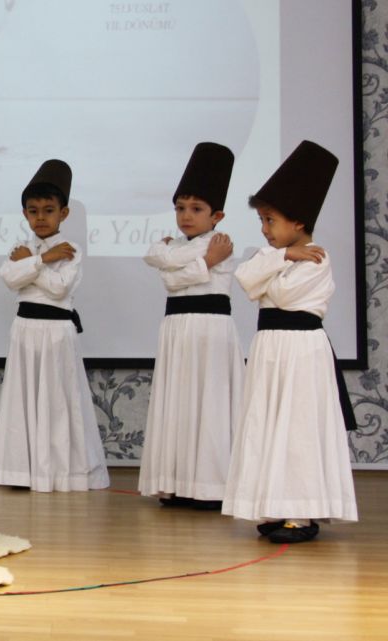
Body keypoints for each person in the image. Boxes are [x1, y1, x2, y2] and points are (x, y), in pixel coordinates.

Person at [224, 140, 358, 543]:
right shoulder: (280, 256)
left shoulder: (317, 256)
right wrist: (282, 259)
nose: (264, 230)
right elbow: (246, 280)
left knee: (296, 428)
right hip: (269, 350)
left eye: (270, 221)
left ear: (298, 222)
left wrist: (280, 266)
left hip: (300, 352)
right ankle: (274, 504)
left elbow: (280, 296)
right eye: (262, 221)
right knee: (267, 423)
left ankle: (300, 511)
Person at [0, 159, 109, 492]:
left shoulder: (71, 250)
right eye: (33, 211)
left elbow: (59, 288)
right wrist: (42, 259)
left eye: (48, 210)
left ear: (63, 214)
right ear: (26, 214)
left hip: (57, 333)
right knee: (25, 397)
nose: (40, 217)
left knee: (57, 401)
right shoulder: (22, 249)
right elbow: (10, 278)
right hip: (25, 330)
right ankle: (21, 471)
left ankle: (59, 471)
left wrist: (33, 265)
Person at [138, 142, 244, 510]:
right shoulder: (192, 248)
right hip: (177, 328)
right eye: (181, 208)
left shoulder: (221, 244)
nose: (186, 216)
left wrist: (178, 264)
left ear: (217, 216)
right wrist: (191, 265)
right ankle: (177, 481)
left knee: (209, 402)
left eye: (196, 209)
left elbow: (169, 272)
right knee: (178, 402)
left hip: (210, 329)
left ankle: (211, 484)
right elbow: (157, 258)